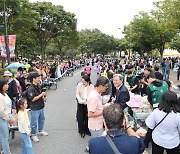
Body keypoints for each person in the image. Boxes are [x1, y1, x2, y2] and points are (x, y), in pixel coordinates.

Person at [27, 73, 48, 143]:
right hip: (35, 107)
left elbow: (41, 93)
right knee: (34, 122)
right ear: (33, 79)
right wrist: (41, 95)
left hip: (41, 105)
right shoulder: (30, 88)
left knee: (42, 119)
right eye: (38, 78)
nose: (39, 79)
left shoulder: (39, 85)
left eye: (39, 78)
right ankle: (33, 134)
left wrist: (44, 97)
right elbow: (32, 99)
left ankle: (41, 130)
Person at [0, 78, 16, 154]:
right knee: (5, 137)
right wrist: (9, 119)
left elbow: (7, 105)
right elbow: (1, 111)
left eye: (7, 84)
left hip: (6, 117)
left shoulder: (5, 94)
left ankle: (2, 149)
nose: (7, 86)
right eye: (5, 84)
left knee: (2, 136)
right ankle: (7, 152)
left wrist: (12, 110)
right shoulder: (0, 96)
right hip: (2, 118)